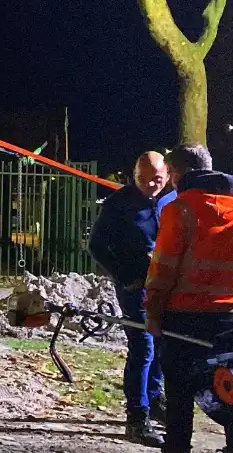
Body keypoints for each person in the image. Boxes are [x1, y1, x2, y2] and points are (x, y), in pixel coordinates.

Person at [146, 144, 233, 453]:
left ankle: (178, 446)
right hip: (228, 314)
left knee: (180, 391)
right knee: (230, 385)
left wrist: (153, 314)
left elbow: (163, 270)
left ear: (179, 173)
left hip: (183, 314)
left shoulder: (179, 209)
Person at [87, 151, 176, 447]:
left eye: (158, 179)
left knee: (163, 343)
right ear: (134, 176)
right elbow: (97, 245)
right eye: (144, 179)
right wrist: (124, 276)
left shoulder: (171, 199)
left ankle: (154, 398)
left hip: (166, 286)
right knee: (143, 346)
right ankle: (136, 417)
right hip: (135, 286)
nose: (152, 184)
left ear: (168, 175)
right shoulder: (118, 205)